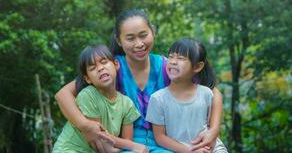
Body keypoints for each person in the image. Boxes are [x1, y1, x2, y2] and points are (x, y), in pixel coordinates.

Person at [55, 9, 224, 152]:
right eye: (130, 38)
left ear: (153, 32)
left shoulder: (167, 66)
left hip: (165, 142)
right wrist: (85, 126)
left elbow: (212, 91)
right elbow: (63, 94)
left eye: (143, 35)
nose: (139, 44)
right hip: (127, 144)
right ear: (119, 41)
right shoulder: (112, 68)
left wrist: (214, 130)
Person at [53, 45, 147, 152]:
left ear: (116, 64)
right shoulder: (88, 95)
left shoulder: (127, 104)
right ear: (88, 79)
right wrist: (134, 146)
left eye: (104, 62)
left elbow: (126, 141)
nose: (100, 68)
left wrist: (130, 146)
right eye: (93, 68)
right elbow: (98, 136)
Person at [146, 38, 228, 153]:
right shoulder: (158, 98)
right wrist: (190, 151)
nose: (173, 61)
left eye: (181, 58)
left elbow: (211, 130)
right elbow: (160, 137)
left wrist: (208, 147)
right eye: (171, 56)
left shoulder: (206, 93)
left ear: (197, 67)